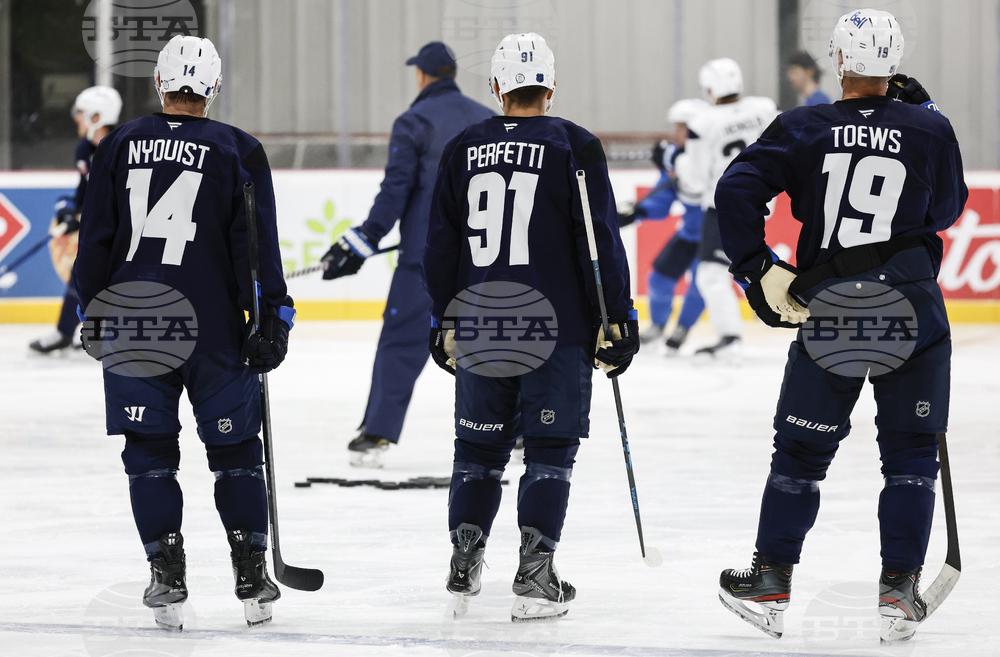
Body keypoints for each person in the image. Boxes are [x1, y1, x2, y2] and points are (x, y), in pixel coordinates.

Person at [714, 9, 966, 644]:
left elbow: (735, 191)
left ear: (839, 61)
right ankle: (899, 593)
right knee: (910, 457)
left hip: (834, 308)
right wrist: (925, 113)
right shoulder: (930, 127)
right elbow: (947, 208)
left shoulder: (804, 126)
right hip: (910, 305)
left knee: (800, 453)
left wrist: (757, 267)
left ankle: (770, 584)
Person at [74, 35, 294, 630]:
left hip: (134, 323)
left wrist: (89, 310)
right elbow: (255, 249)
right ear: (213, 89)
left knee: (148, 455)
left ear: (159, 83)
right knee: (235, 452)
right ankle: (252, 574)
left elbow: (95, 240)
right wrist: (273, 314)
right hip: (213, 328)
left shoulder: (119, 143)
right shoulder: (238, 150)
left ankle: (165, 575)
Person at [423, 32, 638, 622]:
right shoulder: (573, 144)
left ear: (496, 88)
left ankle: (464, 564)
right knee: (549, 450)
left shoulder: (463, 147)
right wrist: (618, 316)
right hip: (555, 324)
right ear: (550, 87)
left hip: (481, 320)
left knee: (477, 447)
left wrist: (444, 316)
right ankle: (535, 574)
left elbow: (439, 248)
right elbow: (598, 241)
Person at [320, 41, 492, 468]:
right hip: (485, 259)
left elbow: (395, 191)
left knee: (400, 344)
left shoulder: (414, 121)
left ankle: (377, 434)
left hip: (425, 260)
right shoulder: (488, 120)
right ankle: (522, 431)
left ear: (423, 75)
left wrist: (363, 240)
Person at [684, 58, 777, 360]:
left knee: (711, 274)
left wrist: (677, 165)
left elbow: (695, 179)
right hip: (763, 198)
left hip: (724, 204)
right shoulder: (764, 108)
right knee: (753, 265)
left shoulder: (702, 122)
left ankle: (730, 337)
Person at [29, 86, 121, 353]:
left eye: (81, 113)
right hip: (103, 227)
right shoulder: (84, 149)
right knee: (81, 272)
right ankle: (67, 331)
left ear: (97, 116)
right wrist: (69, 209)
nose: (76, 118)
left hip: (126, 229)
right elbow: (84, 191)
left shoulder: (122, 146)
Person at [618, 98, 708, 352]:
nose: (674, 133)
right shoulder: (675, 157)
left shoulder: (714, 157)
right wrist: (636, 212)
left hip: (717, 234)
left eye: (681, 127)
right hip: (691, 232)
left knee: (701, 284)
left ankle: (683, 328)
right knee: (659, 279)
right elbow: (662, 200)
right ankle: (658, 327)